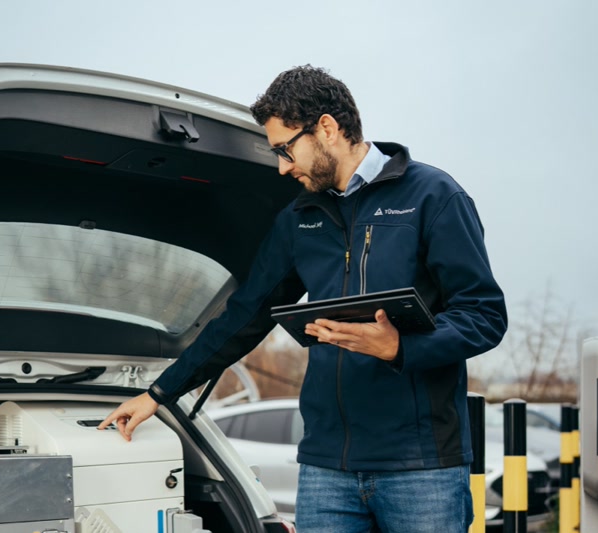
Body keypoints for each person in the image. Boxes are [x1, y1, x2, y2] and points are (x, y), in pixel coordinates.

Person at [99, 65, 507, 532]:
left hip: (422, 468)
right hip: (325, 471)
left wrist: (400, 348)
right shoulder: (299, 218)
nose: (282, 166)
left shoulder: (433, 196)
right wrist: (160, 392)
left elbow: (484, 315)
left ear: (328, 129)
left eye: (285, 148)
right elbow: (243, 316)